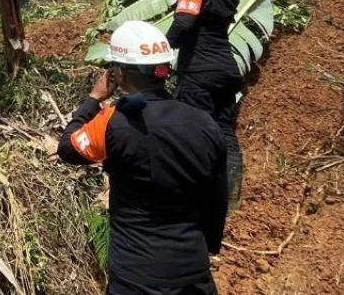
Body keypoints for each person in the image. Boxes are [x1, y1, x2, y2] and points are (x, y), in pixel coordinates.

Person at [57, 21, 229, 295]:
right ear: (163, 71)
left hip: (134, 277)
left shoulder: (114, 121)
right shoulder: (205, 124)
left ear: (120, 74)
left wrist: (93, 99)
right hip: (193, 275)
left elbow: (68, 148)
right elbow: (218, 198)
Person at [165, 0, 244, 206]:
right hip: (226, 70)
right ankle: (230, 199)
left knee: (188, 132)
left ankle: (188, 197)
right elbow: (208, 8)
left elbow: (185, 22)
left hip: (199, 72)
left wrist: (163, 48)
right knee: (225, 133)